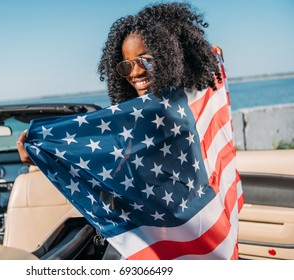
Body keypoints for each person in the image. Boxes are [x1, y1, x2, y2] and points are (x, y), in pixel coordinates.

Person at [17, 2, 243, 259]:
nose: (135, 72)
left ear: (170, 55)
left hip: (162, 240)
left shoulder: (169, 118)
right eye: (126, 65)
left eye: (146, 61)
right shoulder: (172, 111)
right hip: (154, 235)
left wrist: (43, 149)